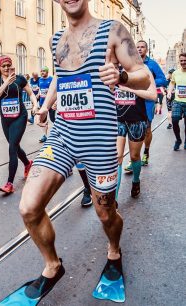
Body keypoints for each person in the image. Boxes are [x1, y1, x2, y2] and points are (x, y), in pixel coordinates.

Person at [16, 0, 150, 302]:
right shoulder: (55, 40)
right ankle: (52, 266)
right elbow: (59, 79)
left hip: (100, 139)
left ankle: (114, 252)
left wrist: (122, 76)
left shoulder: (113, 30)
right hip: (63, 135)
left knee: (105, 214)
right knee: (29, 207)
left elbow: (144, 76)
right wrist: (46, 106)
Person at [0, 55, 38, 194]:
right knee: (15, 147)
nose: (6, 68)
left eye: (8, 65)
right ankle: (28, 164)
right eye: (3, 66)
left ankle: (9, 183)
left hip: (20, 116)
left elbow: (31, 94)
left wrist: (35, 105)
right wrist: (5, 83)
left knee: (12, 147)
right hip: (5, 119)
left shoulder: (20, 79)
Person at [116, 68, 157, 199]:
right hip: (118, 120)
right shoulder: (112, 69)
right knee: (117, 157)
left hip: (137, 120)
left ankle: (136, 180)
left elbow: (153, 95)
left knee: (134, 156)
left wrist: (131, 90)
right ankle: (114, 200)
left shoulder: (142, 71)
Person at [132, 40, 166, 167]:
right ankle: (135, 157)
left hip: (147, 101)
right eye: (137, 47)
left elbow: (163, 79)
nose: (139, 49)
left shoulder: (152, 64)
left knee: (146, 129)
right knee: (134, 128)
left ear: (146, 49)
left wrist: (148, 81)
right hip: (133, 100)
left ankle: (146, 152)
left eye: (142, 47)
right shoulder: (131, 62)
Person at [167, 53, 186, 151]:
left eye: (185, 60)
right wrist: (169, 91)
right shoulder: (176, 73)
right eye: (181, 61)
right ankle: (178, 140)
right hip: (178, 101)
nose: (183, 62)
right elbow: (172, 83)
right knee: (174, 121)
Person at [38, 66, 53, 143]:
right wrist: (38, 95)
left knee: (53, 119)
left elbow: (54, 91)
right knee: (43, 120)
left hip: (51, 103)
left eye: (43, 71)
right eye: (41, 71)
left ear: (47, 72)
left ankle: (58, 133)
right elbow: (40, 90)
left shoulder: (51, 79)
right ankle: (45, 135)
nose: (42, 72)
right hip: (42, 103)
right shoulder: (40, 80)